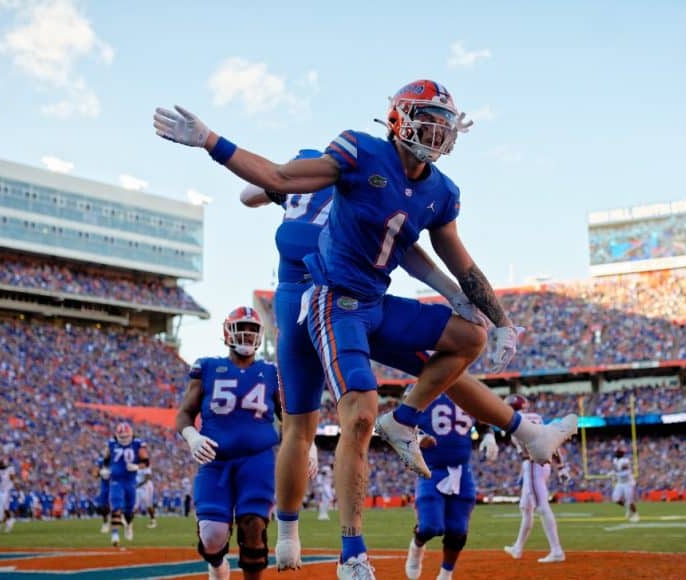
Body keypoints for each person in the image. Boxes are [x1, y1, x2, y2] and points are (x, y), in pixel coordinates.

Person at [155, 81, 577, 577]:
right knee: (339, 415)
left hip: (373, 300)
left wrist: (495, 316)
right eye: (429, 119)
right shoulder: (352, 155)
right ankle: (330, 545)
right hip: (323, 296)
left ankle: (439, 423)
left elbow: (435, 254)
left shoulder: (436, 191)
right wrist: (211, 141)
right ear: (399, 119)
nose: (438, 132)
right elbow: (271, 179)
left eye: (444, 123)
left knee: (468, 341)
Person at [175, 306, 282, 580]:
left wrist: (309, 446)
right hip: (215, 460)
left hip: (257, 459)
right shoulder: (208, 367)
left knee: (254, 528)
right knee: (212, 535)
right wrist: (192, 436)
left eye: (252, 330)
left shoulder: (272, 372)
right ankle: (217, 565)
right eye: (241, 329)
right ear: (227, 333)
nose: (246, 335)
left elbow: (292, 417)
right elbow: (185, 413)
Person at [404, 390, 480, 580]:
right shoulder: (422, 388)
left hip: (463, 472)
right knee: (430, 527)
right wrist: (418, 439)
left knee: (458, 531)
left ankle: (446, 574)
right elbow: (400, 429)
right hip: (432, 470)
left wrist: (488, 435)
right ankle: (416, 546)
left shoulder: (465, 390)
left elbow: (484, 415)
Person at [501, 396, 566, 563]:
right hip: (541, 465)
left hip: (533, 464)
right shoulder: (536, 417)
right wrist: (561, 466)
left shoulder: (515, 420)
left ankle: (557, 550)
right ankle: (518, 547)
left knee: (541, 507)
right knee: (526, 507)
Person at [104, 422, 149, 547]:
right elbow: (106, 460)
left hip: (130, 481)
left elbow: (146, 462)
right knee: (116, 506)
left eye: (126, 436)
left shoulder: (137, 444)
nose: (124, 439)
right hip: (116, 480)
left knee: (129, 510)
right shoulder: (111, 444)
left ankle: (129, 525)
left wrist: (136, 466)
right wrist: (105, 469)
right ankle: (115, 535)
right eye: (121, 437)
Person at [610, 447, 639, 522]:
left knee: (629, 500)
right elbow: (615, 470)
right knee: (615, 498)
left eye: (617, 452)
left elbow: (625, 472)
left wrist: (615, 473)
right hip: (620, 482)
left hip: (627, 482)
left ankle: (636, 514)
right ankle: (628, 508)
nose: (616, 453)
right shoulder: (615, 460)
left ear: (621, 453)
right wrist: (614, 474)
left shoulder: (625, 461)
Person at [0, 456, 16, 533]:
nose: (3, 465)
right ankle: (8, 521)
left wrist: (12, 484)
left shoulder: (10, 469)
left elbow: (13, 479)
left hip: (5, 491)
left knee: (2, 508)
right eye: (1, 463)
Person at [135, 464, 158, 528]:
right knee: (135, 505)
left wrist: (138, 485)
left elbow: (148, 478)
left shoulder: (146, 465)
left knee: (148, 505)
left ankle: (153, 521)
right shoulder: (135, 464)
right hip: (138, 487)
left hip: (146, 487)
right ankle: (127, 522)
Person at [95, 457, 111, 533]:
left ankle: (121, 519)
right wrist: (100, 472)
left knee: (116, 504)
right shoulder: (101, 460)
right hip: (104, 485)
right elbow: (95, 474)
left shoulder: (116, 458)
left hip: (115, 484)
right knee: (103, 506)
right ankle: (105, 523)